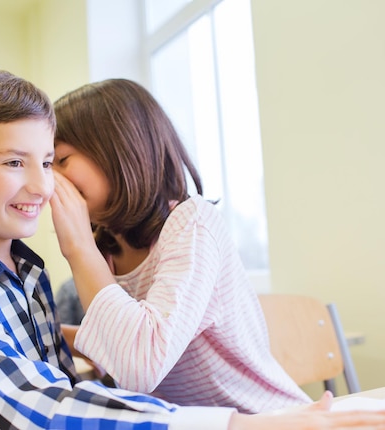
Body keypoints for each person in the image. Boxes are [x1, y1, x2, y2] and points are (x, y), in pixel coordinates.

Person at [0, 67, 385, 430]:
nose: (45, 186)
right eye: (18, 162)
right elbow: (40, 405)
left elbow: (82, 374)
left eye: (51, 161)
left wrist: (78, 280)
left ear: (118, 150)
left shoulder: (33, 271)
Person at [49, 79, 318, 411]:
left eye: (61, 160)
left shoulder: (192, 223)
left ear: (119, 150)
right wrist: (51, 333)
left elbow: (140, 365)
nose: (51, 179)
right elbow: (118, 349)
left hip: (270, 417)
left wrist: (78, 248)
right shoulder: (105, 250)